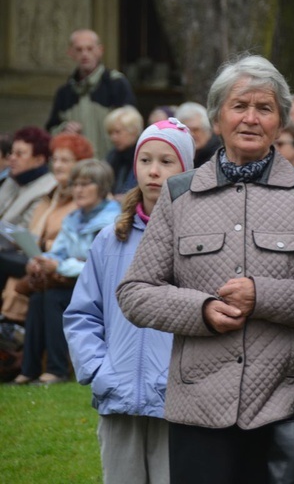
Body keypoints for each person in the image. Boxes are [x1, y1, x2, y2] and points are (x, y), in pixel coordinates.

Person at [116, 54, 294, 484]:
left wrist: (261, 296)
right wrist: (202, 310)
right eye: (239, 106)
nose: (250, 118)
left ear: (280, 121)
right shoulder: (179, 195)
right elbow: (135, 292)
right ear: (218, 117)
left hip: (288, 407)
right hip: (199, 408)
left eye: (264, 108)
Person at [63, 119, 195, 484]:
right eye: (146, 160)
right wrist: (98, 370)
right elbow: (82, 314)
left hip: (176, 401)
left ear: (187, 169)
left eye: (167, 162)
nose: (154, 171)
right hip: (117, 395)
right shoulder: (111, 239)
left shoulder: (199, 240)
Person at [14, 159, 119, 385]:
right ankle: (29, 369)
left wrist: (59, 267)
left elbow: (99, 264)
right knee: (38, 298)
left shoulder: (112, 219)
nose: (77, 190)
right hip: (75, 283)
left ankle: (57, 369)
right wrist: (41, 261)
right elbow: (59, 252)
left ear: (101, 187)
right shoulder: (73, 218)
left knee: (52, 298)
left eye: (85, 184)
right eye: (75, 184)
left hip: (103, 289)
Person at [1, 133, 94, 324]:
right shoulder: (52, 194)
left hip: (61, 265)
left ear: (81, 164)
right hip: (36, 257)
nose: (58, 165)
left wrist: (43, 245)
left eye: (65, 160)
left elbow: (79, 246)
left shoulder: (84, 199)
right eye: (56, 159)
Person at [46, 29, 136, 159]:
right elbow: (50, 132)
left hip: (112, 165)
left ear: (100, 50)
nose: (84, 54)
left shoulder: (116, 84)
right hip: (78, 169)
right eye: (79, 49)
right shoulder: (64, 93)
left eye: (89, 49)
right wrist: (64, 130)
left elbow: (132, 128)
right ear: (70, 53)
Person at [104, 105, 143, 199]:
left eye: (117, 132)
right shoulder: (112, 156)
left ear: (134, 131)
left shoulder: (144, 156)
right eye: (110, 133)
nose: (113, 138)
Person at [175, 101, 222, 168]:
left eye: (196, 130)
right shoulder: (179, 156)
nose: (191, 134)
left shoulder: (219, 157)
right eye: (186, 130)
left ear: (207, 129)